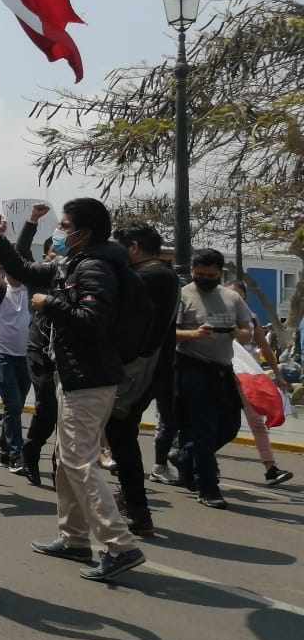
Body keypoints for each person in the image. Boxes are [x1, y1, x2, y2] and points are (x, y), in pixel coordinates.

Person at [0, 198, 146, 582]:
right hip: (75, 375)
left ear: (84, 232)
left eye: (64, 227)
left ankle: (119, 544)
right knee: (66, 461)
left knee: (78, 461)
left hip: (89, 377)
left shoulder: (95, 266)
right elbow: (26, 270)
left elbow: (93, 321)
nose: (58, 234)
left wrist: (51, 303)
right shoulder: (72, 263)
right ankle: (74, 537)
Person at [102, 222, 180, 536]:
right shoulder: (161, 275)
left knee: (121, 435)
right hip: (148, 368)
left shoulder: (152, 276)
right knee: (121, 434)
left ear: (133, 246)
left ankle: (136, 507)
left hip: (140, 369)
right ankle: (132, 502)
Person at [172, 250, 256, 509]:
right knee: (204, 428)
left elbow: (247, 333)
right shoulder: (183, 295)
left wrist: (236, 332)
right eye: (200, 275)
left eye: (211, 275)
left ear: (221, 273)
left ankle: (185, 455)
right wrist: (194, 334)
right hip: (191, 366)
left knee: (229, 425)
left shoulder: (231, 297)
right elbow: (168, 333)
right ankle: (208, 488)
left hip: (222, 368)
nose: (205, 279)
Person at [228, 281, 295, 486]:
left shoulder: (252, 319)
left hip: (247, 378)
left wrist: (277, 374)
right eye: (230, 295)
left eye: (238, 296)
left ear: (244, 298)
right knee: (220, 424)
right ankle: (190, 456)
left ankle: (270, 468)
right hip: (222, 375)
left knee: (257, 423)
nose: (233, 299)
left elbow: (265, 348)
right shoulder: (216, 315)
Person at [14, 204, 59, 485]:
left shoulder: (82, 273)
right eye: (56, 251)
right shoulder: (40, 273)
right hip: (40, 351)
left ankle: (60, 468)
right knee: (47, 408)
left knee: (68, 415)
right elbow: (19, 254)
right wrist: (32, 221)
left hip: (69, 353)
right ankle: (30, 452)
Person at [0, 262, 31, 472]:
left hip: (25, 358)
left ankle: (4, 452)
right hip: (1, 355)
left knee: (16, 406)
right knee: (12, 405)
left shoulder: (31, 291)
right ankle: (15, 453)